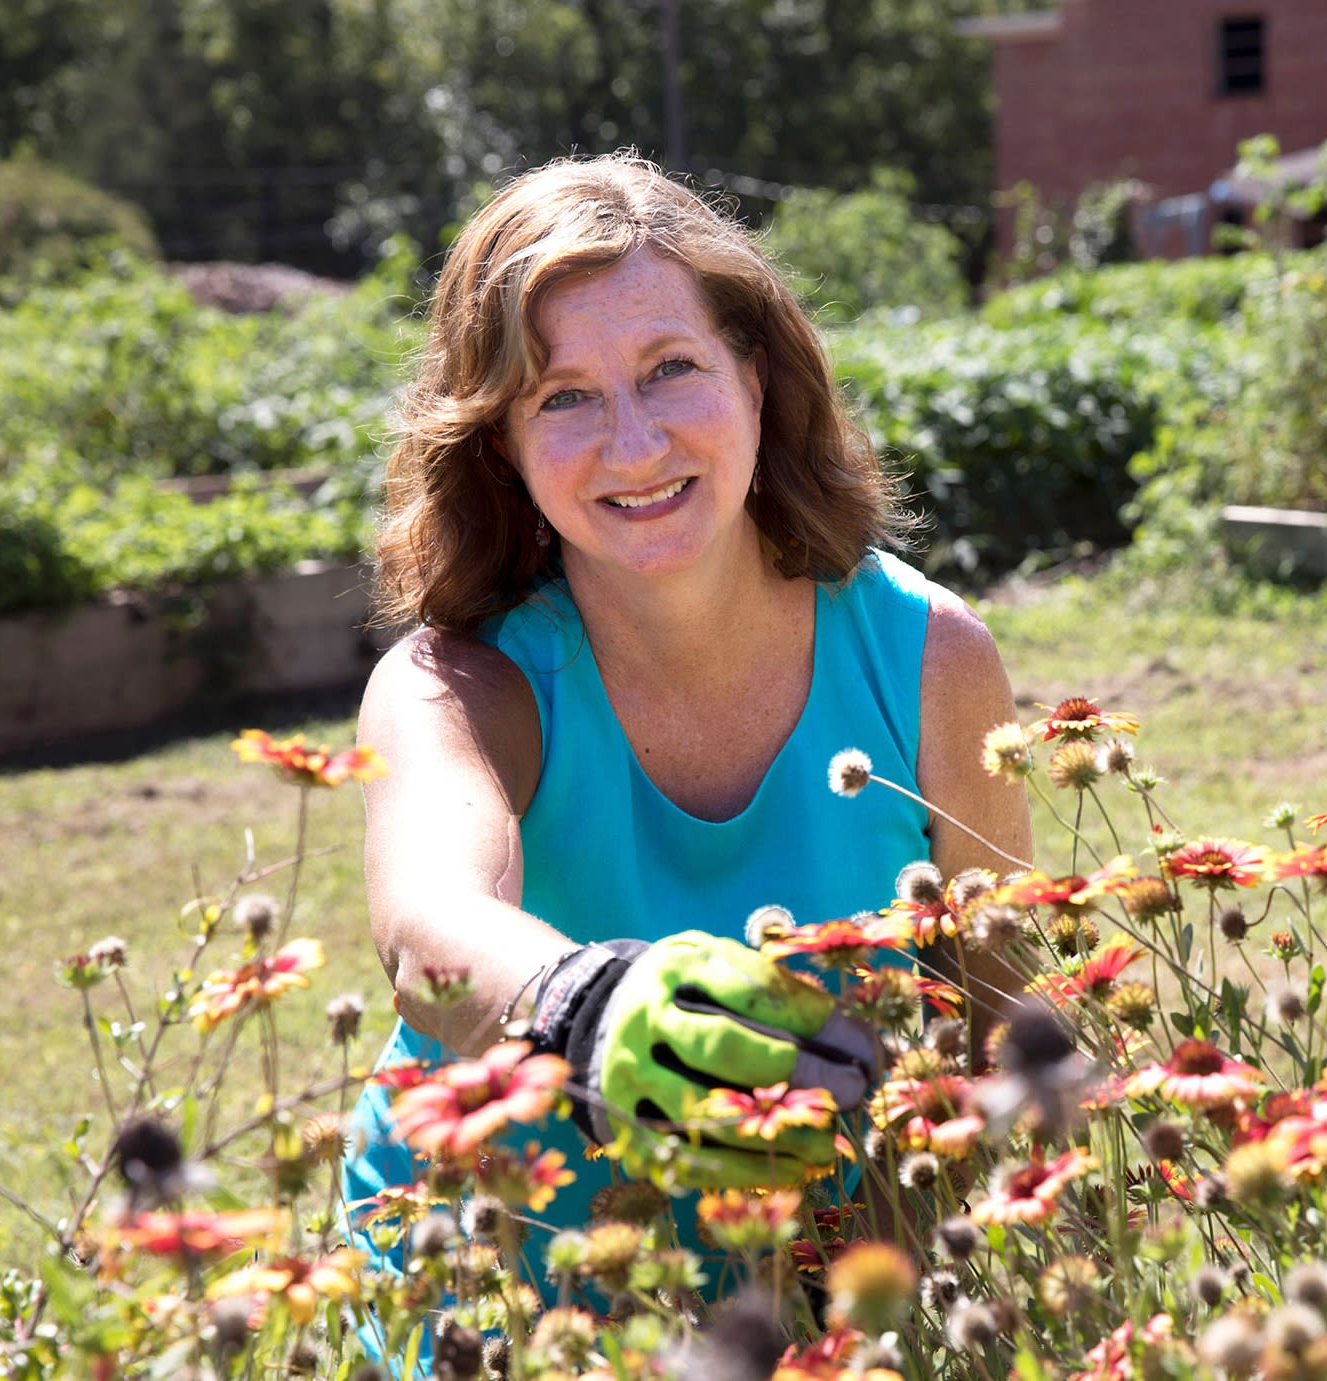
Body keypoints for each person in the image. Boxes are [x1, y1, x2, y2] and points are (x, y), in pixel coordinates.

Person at [340, 152, 1031, 1333]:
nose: (636, 441)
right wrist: (590, 1002)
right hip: (503, 1298)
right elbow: (428, 936)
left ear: (754, 384)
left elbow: (1008, 1012)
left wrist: (893, 1271)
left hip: (826, 1296)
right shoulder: (456, 683)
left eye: (672, 369)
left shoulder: (929, 660)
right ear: (501, 442)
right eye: (562, 396)